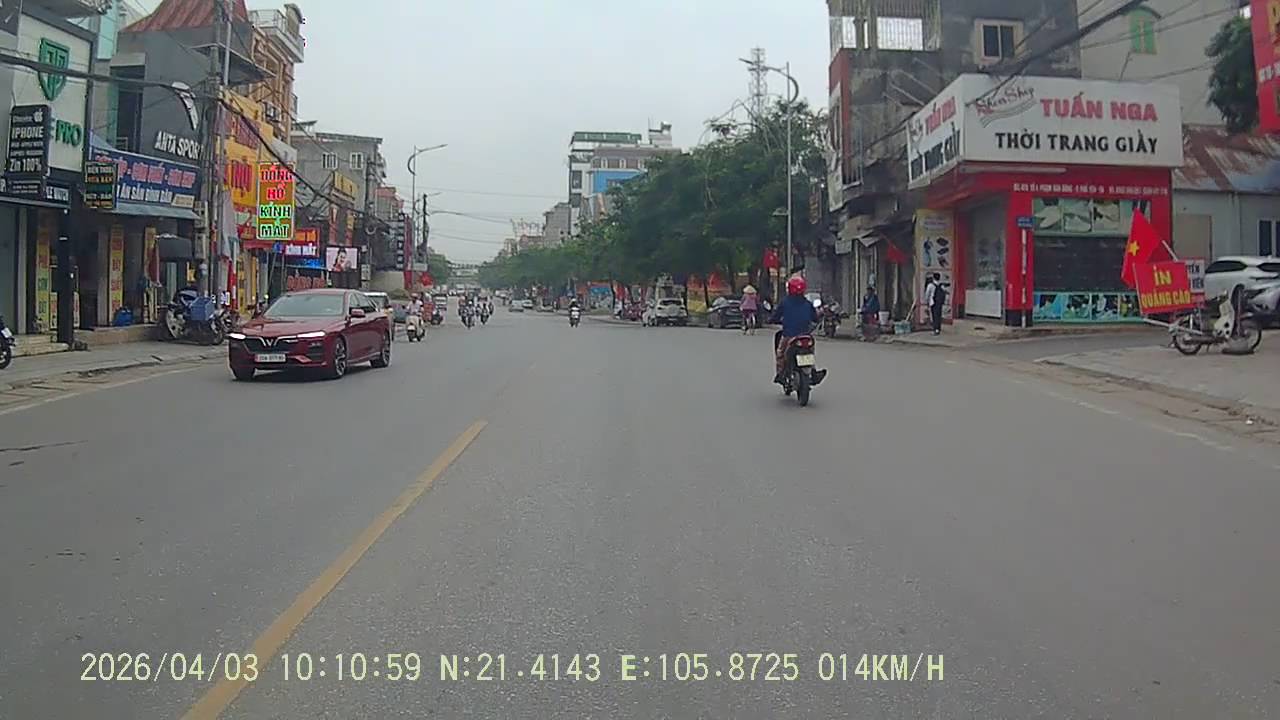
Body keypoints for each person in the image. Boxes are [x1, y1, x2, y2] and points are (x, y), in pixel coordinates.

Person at [769, 275, 822, 384]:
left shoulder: (785, 302)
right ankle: (813, 371)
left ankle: (780, 373)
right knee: (810, 352)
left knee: (780, 353)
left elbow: (776, 316)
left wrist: (772, 320)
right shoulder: (807, 303)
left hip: (789, 335)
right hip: (806, 336)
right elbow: (815, 318)